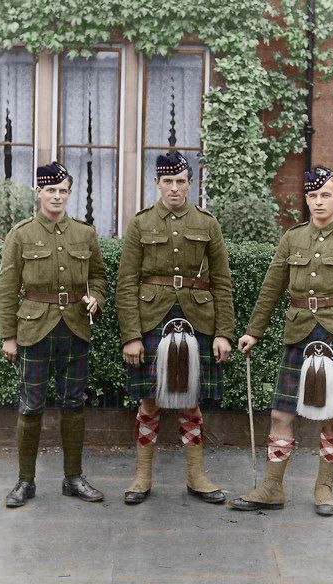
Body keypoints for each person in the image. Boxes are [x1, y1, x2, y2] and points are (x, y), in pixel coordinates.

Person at [231, 166, 333, 516]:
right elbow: (271, 287)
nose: (318, 202)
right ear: (306, 200)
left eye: (325, 194)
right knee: (281, 413)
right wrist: (254, 330)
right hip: (299, 333)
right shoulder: (293, 238)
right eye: (313, 196)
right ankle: (272, 487)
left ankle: (324, 487)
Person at [116, 150, 234, 505]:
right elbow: (126, 283)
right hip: (152, 319)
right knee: (149, 402)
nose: (174, 188)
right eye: (167, 181)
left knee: (191, 402)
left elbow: (222, 282)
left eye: (181, 181)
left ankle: (196, 477)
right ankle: (141, 476)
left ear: (190, 184)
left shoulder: (207, 223)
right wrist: (132, 336)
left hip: (197, 319)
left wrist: (223, 333)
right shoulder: (140, 223)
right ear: (157, 183)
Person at [0, 161, 107, 508]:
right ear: (39, 193)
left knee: (74, 403)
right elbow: (6, 288)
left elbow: (100, 277)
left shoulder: (85, 234)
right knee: (31, 406)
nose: (57, 197)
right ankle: (25, 482)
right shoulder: (22, 234)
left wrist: (97, 298)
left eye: (63, 191)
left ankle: (73, 478)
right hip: (33, 329)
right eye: (51, 191)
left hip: (74, 327)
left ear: (70, 193)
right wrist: (8, 337)